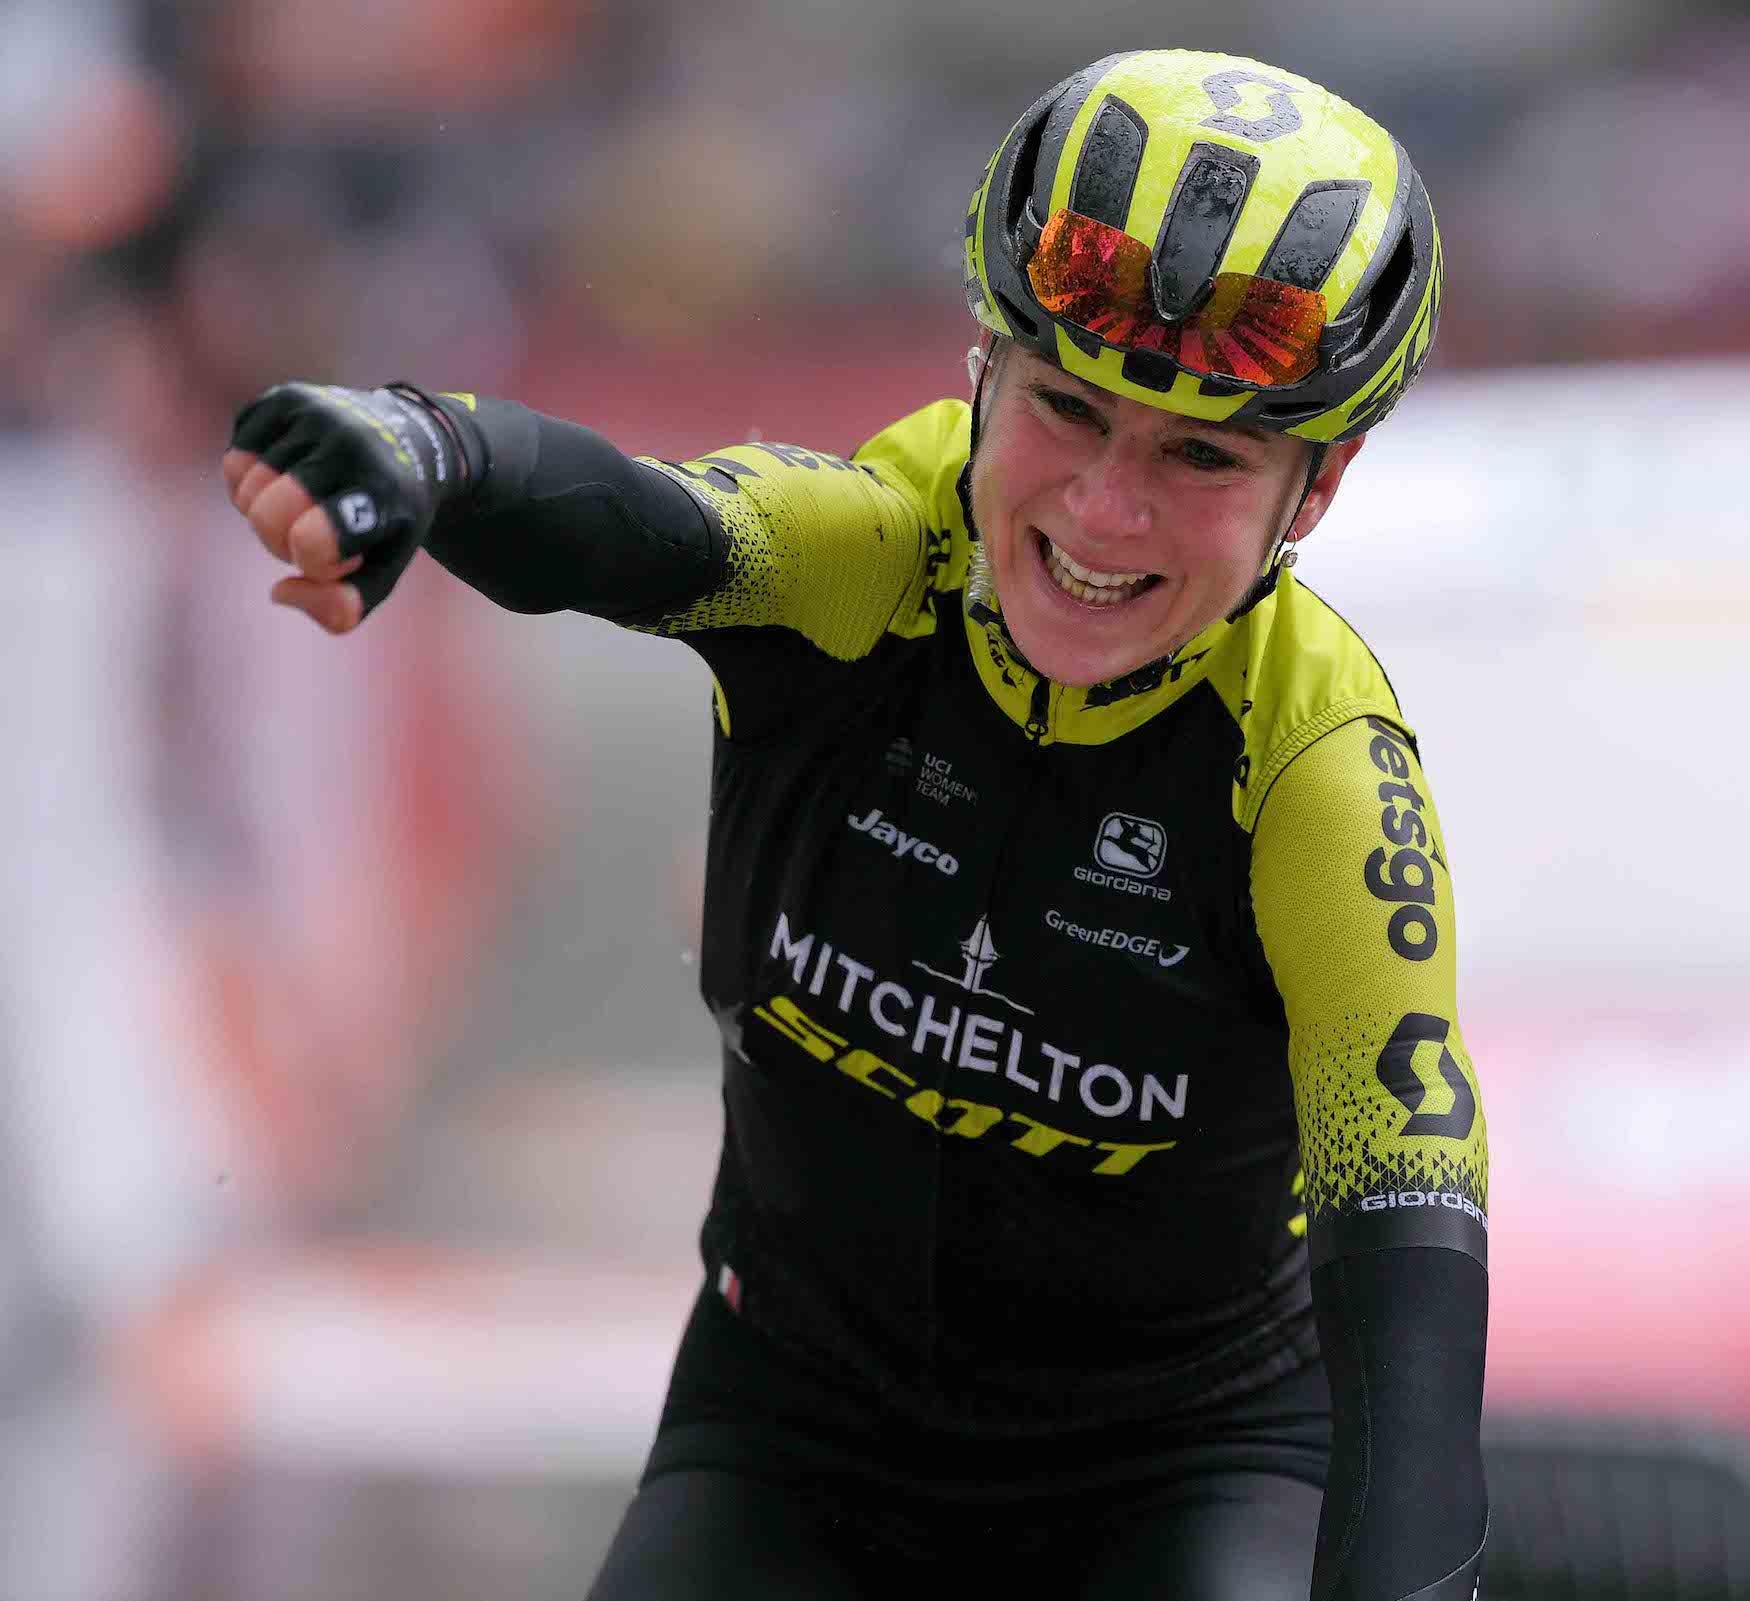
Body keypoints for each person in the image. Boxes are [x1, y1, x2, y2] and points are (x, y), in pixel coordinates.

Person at [220, 49, 1486, 1601]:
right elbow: (635, 523)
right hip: (793, 1435)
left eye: (1203, 454)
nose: (1102, 510)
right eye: (1068, 411)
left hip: (1183, 1472)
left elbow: (1408, 1244)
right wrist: (423, 448)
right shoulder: (872, 556)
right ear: (979, 372)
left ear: (1319, 488)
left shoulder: (1316, 763)